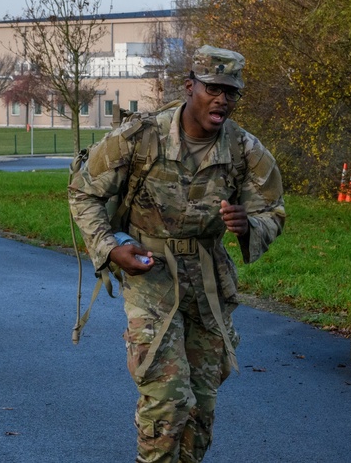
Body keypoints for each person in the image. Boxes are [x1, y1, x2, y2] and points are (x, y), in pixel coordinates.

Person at [69, 46, 285, 463]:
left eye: (231, 91)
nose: (222, 99)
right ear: (190, 87)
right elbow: (83, 191)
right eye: (213, 88)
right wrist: (111, 249)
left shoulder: (244, 150)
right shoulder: (141, 136)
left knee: (200, 408)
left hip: (208, 283)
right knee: (168, 397)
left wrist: (248, 225)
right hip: (150, 273)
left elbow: (272, 210)